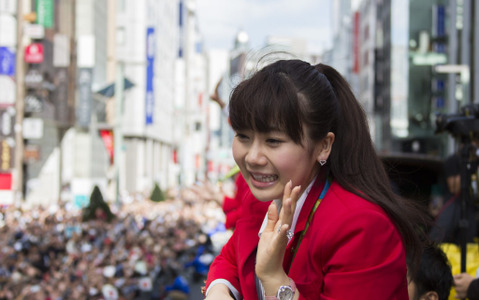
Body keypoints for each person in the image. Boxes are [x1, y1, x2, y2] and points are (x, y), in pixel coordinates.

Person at [202, 59, 428, 299]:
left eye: (273, 141)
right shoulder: (263, 198)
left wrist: (274, 279)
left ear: (323, 146)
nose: (253, 157)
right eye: (243, 136)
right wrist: (219, 289)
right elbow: (229, 258)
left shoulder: (361, 226)